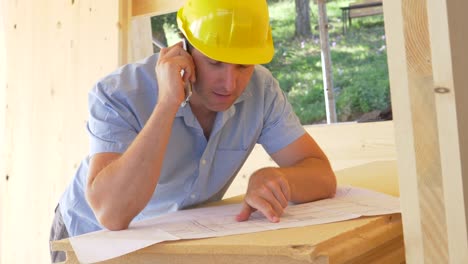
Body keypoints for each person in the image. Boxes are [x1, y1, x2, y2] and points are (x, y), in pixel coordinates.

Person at [50, 0, 337, 262]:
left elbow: (322, 174)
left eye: (243, 65)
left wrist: (279, 177)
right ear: (184, 47)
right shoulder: (118, 92)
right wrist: (167, 104)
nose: (230, 84)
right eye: (215, 62)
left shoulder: (262, 91)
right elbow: (111, 213)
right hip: (86, 236)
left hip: (168, 239)